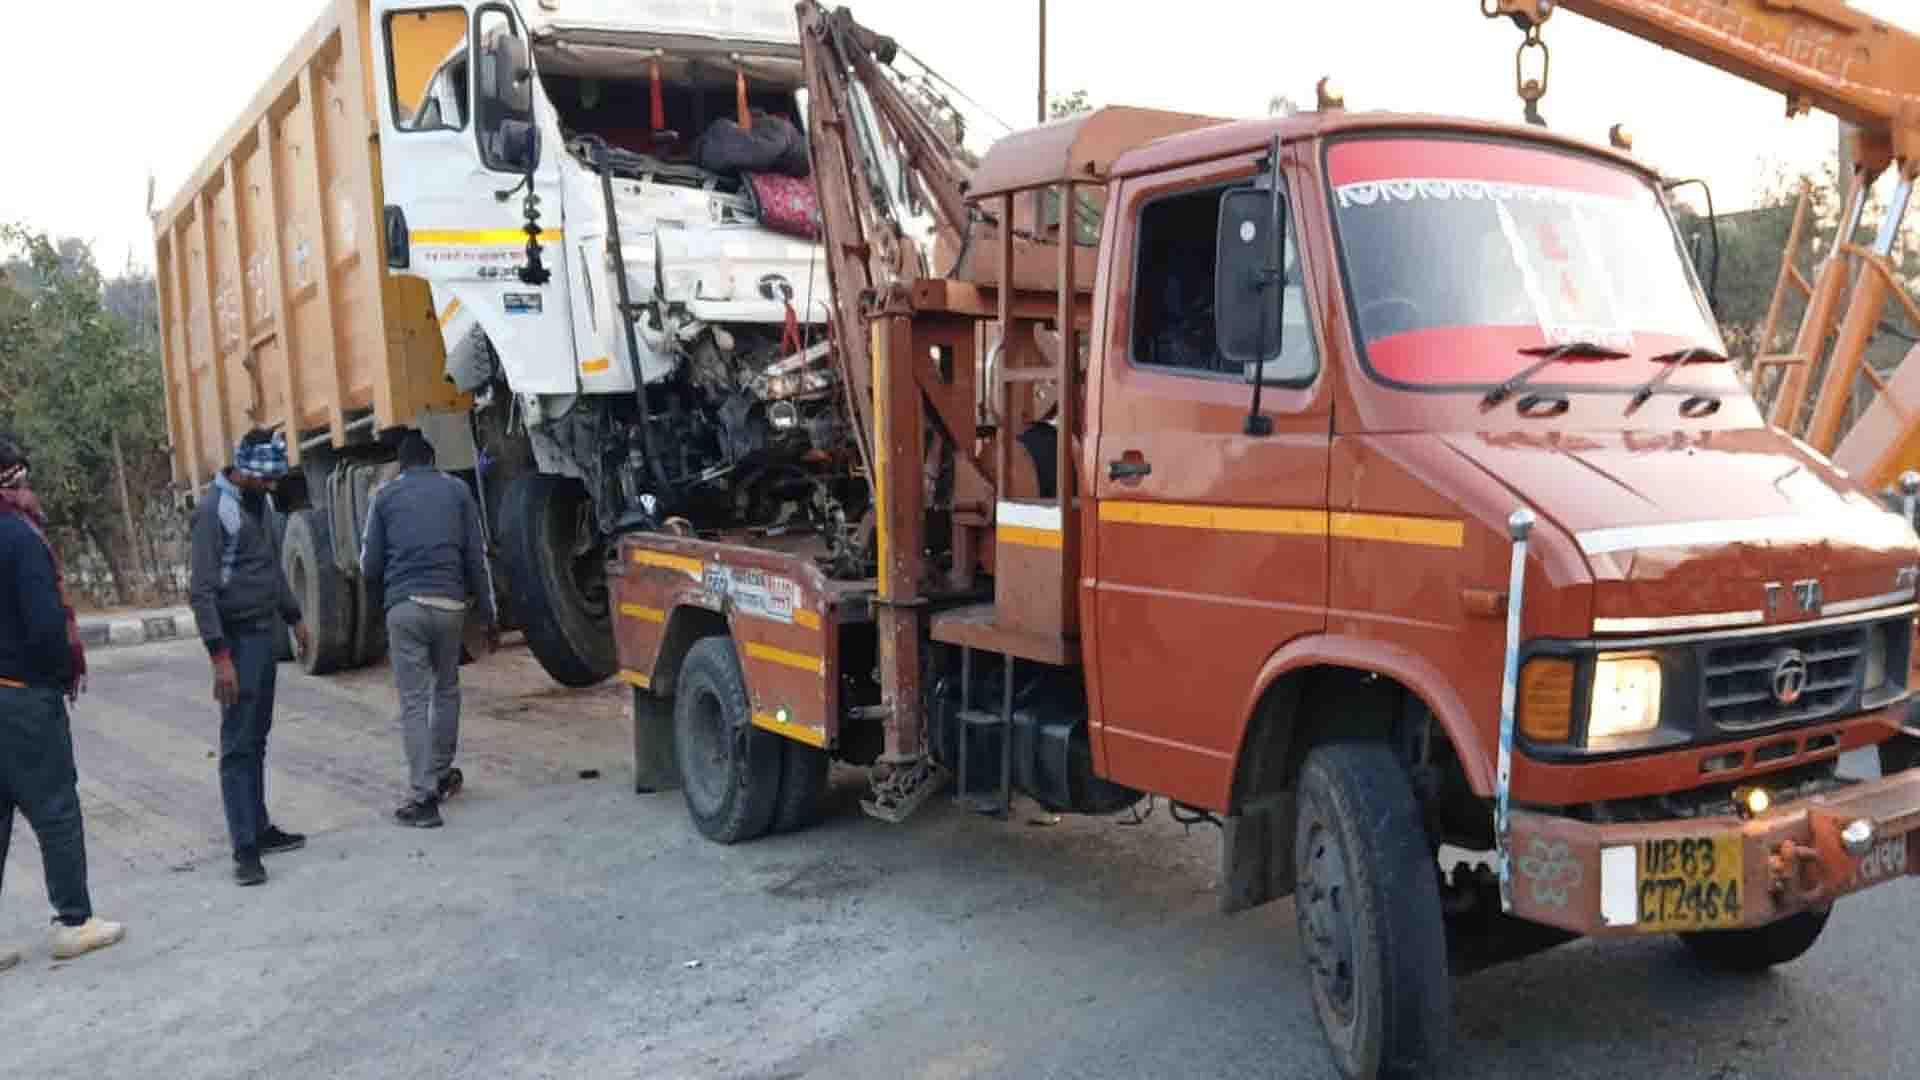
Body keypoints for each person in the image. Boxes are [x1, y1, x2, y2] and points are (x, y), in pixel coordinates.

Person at [0, 435, 125, 968]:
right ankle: (73, 920)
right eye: (21, 478)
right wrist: (56, 677)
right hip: (24, 696)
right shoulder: (20, 539)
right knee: (55, 807)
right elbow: (47, 625)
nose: (29, 488)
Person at [189, 429, 311, 887]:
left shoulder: (260, 504)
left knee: (257, 737)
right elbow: (200, 592)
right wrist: (220, 657)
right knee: (238, 745)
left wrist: (295, 617)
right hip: (235, 643)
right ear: (243, 470)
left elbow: (270, 568)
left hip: (264, 636)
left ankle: (260, 829)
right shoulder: (212, 513)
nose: (271, 486)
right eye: (265, 478)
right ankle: (243, 850)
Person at [359, 432, 494, 829]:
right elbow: (476, 556)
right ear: (433, 460)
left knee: (415, 702)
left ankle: (423, 798)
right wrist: (487, 614)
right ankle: (441, 772)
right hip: (451, 607)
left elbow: (369, 565)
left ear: (402, 465)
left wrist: (378, 610)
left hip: (405, 607)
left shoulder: (383, 498)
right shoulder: (457, 491)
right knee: (447, 688)